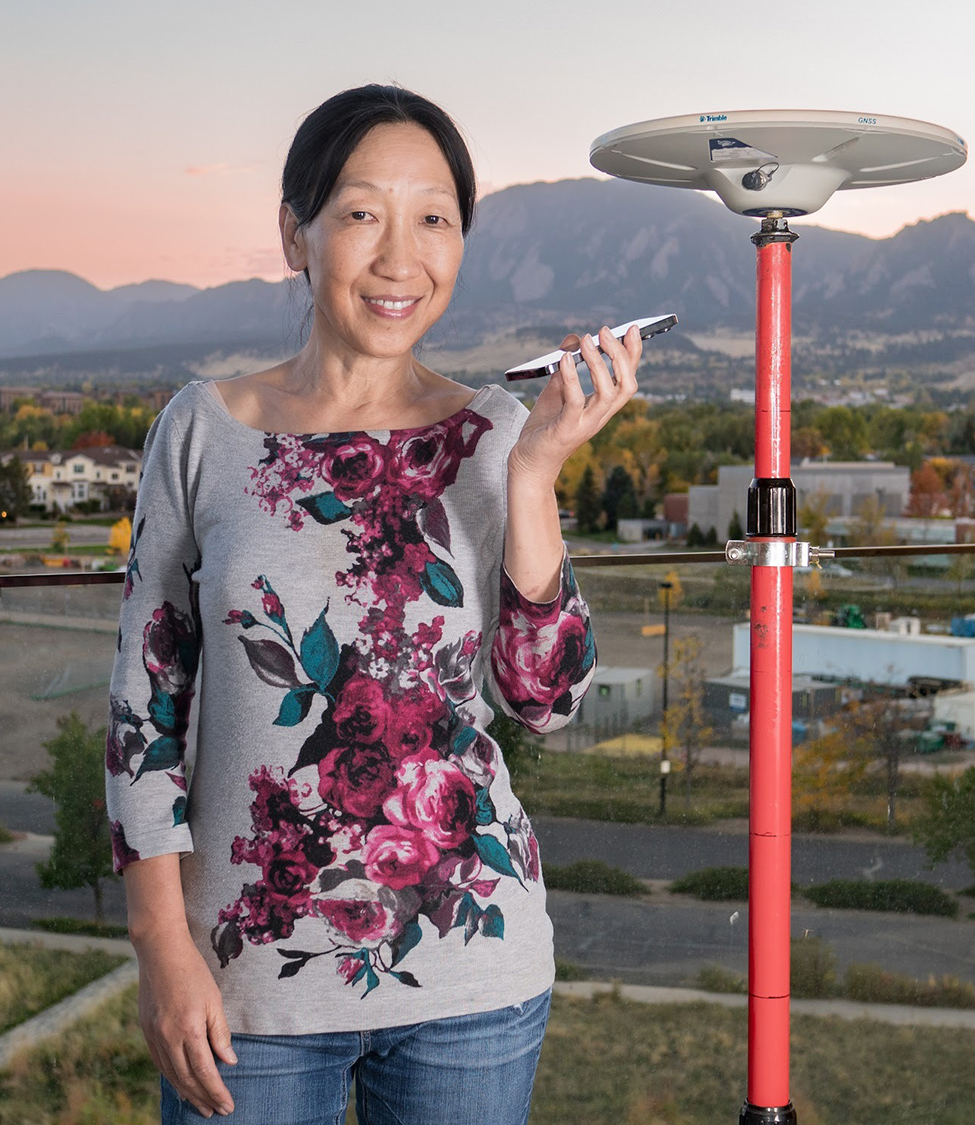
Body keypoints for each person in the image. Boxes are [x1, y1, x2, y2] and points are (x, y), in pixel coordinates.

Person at [105, 84, 645, 1124]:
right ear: (293, 236)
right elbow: (144, 717)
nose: (400, 257)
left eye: (434, 219)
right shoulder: (201, 433)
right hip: (239, 986)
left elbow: (543, 702)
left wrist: (533, 474)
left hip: (470, 973)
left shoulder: (495, 433)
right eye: (360, 214)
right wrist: (160, 946)